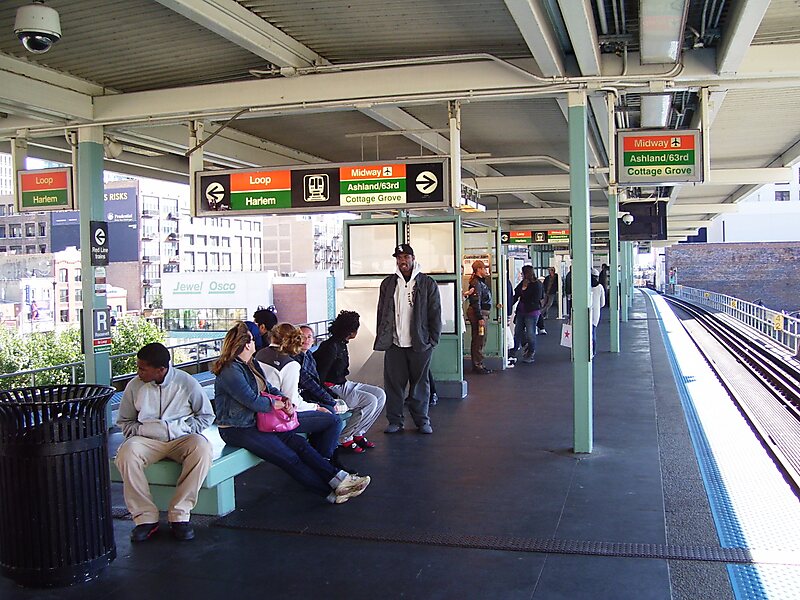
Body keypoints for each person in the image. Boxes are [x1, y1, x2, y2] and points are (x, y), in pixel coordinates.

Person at [212, 322, 370, 504]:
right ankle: (331, 493)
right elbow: (252, 400)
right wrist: (278, 404)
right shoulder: (230, 370)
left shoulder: (251, 363)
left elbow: (268, 387)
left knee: (300, 444)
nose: (256, 342)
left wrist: (284, 399)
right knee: (289, 458)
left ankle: (340, 479)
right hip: (237, 429)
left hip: (255, 423)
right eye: (253, 340)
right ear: (247, 345)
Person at [115, 343, 215, 543]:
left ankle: (180, 515)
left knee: (202, 448)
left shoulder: (186, 382)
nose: (138, 372)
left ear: (161, 369)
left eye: (143, 369)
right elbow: (125, 421)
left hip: (181, 439)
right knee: (126, 453)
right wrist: (143, 431)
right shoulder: (134, 386)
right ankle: (145, 518)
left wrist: (183, 429)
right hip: (147, 440)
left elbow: (206, 416)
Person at [374, 243, 441, 434]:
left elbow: (435, 312)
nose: (402, 261)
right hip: (394, 344)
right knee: (393, 385)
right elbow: (381, 312)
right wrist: (383, 336)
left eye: (405, 257)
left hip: (420, 343)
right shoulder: (388, 284)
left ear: (413, 258)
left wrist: (432, 340)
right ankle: (395, 420)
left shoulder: (427, 283)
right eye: (399, 258)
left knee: (420, 384)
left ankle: (422, 421)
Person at [255, 323, 343, 461]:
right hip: (277, 416)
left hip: (259, 410)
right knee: (334, 420)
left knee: (325, 413)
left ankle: (321, 458)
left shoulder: (260, 354)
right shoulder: (290, 364)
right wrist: (316, 407)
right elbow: (292, 403)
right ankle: (323, 462)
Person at [315, 310, 386, 452]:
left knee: (380, 394)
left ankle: (358, 433)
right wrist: (329, 396)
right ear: (350, 331)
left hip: (343, 383)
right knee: (370, 401)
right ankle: (345, 438)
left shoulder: (341, 343)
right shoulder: (330, 347)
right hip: (333, 388)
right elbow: (320, 377)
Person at [464, 259, 493, 374]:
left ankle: (478, 363)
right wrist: (480, 317)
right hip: (479, 313)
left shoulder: (478, 282)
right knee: (479, 339)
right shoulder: (477, 283)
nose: (486, 271)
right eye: (484, 268)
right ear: (479, 269)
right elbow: (476, 301)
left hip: (480, 313)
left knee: (478, 339)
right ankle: (478, 364)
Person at [511, 265, 543, 364]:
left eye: (523, 273)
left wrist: (524, 293)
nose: (521, 274)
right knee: (518, 332)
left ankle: (530, 353)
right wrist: (509, 305)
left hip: (532, 312)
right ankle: (514, 351)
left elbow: (536, 299)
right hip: (521, 311)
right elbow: (516, 294)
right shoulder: (523, 283)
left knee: (530, 334)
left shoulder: (537, 284)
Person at [537, 267, 559, 335]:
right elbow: (544, 285)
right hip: (546, 292)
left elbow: (557, 284)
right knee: (544, 303)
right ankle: (545, 315)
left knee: (549, 304)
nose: (549, 272)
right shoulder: (547, 278)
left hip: (552, 292)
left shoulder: (556, 277)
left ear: (553, 271)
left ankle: (541, 313)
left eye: (550, 270)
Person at [591, 268, 606, 357]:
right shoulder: (600, 287)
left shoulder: (586, 286)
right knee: (593, 332)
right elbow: (602, 303)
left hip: (584, 314)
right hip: (595, 313)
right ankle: (593, 351)